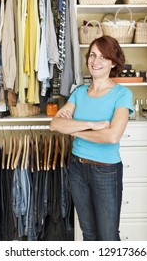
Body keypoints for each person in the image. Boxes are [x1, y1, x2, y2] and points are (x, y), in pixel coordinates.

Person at [50, 35, 133, 241]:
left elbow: (113, 136)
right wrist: (92, 126)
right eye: (93, 55)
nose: (96, 61)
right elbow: (56, 124)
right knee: (89, 234)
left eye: (104, 57)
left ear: (113, 62)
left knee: (108, 235)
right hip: (78, 169)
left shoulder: (122, 94)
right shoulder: (78, 93)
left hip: (106, 170)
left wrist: (75, 131)